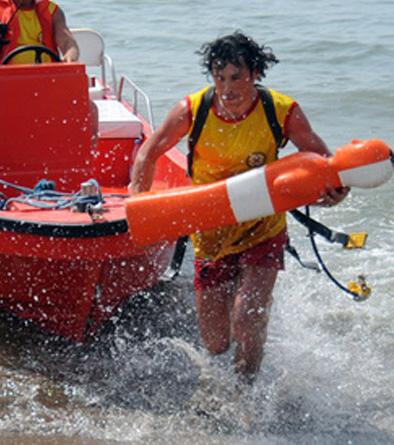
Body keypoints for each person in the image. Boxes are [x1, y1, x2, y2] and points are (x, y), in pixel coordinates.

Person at [129, 31, 349, 383]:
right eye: (219, 79)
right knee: (216, 341)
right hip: (211, 231)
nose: (227, 89)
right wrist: (139, 211)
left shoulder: (281, 111)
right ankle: (222, 376)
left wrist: (337, 189)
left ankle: (246, 394)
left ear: (255, 75)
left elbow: (325, 162)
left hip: (263, 227)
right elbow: (148, 154)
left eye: (236, 78)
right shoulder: (193, 109)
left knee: (246, 319)